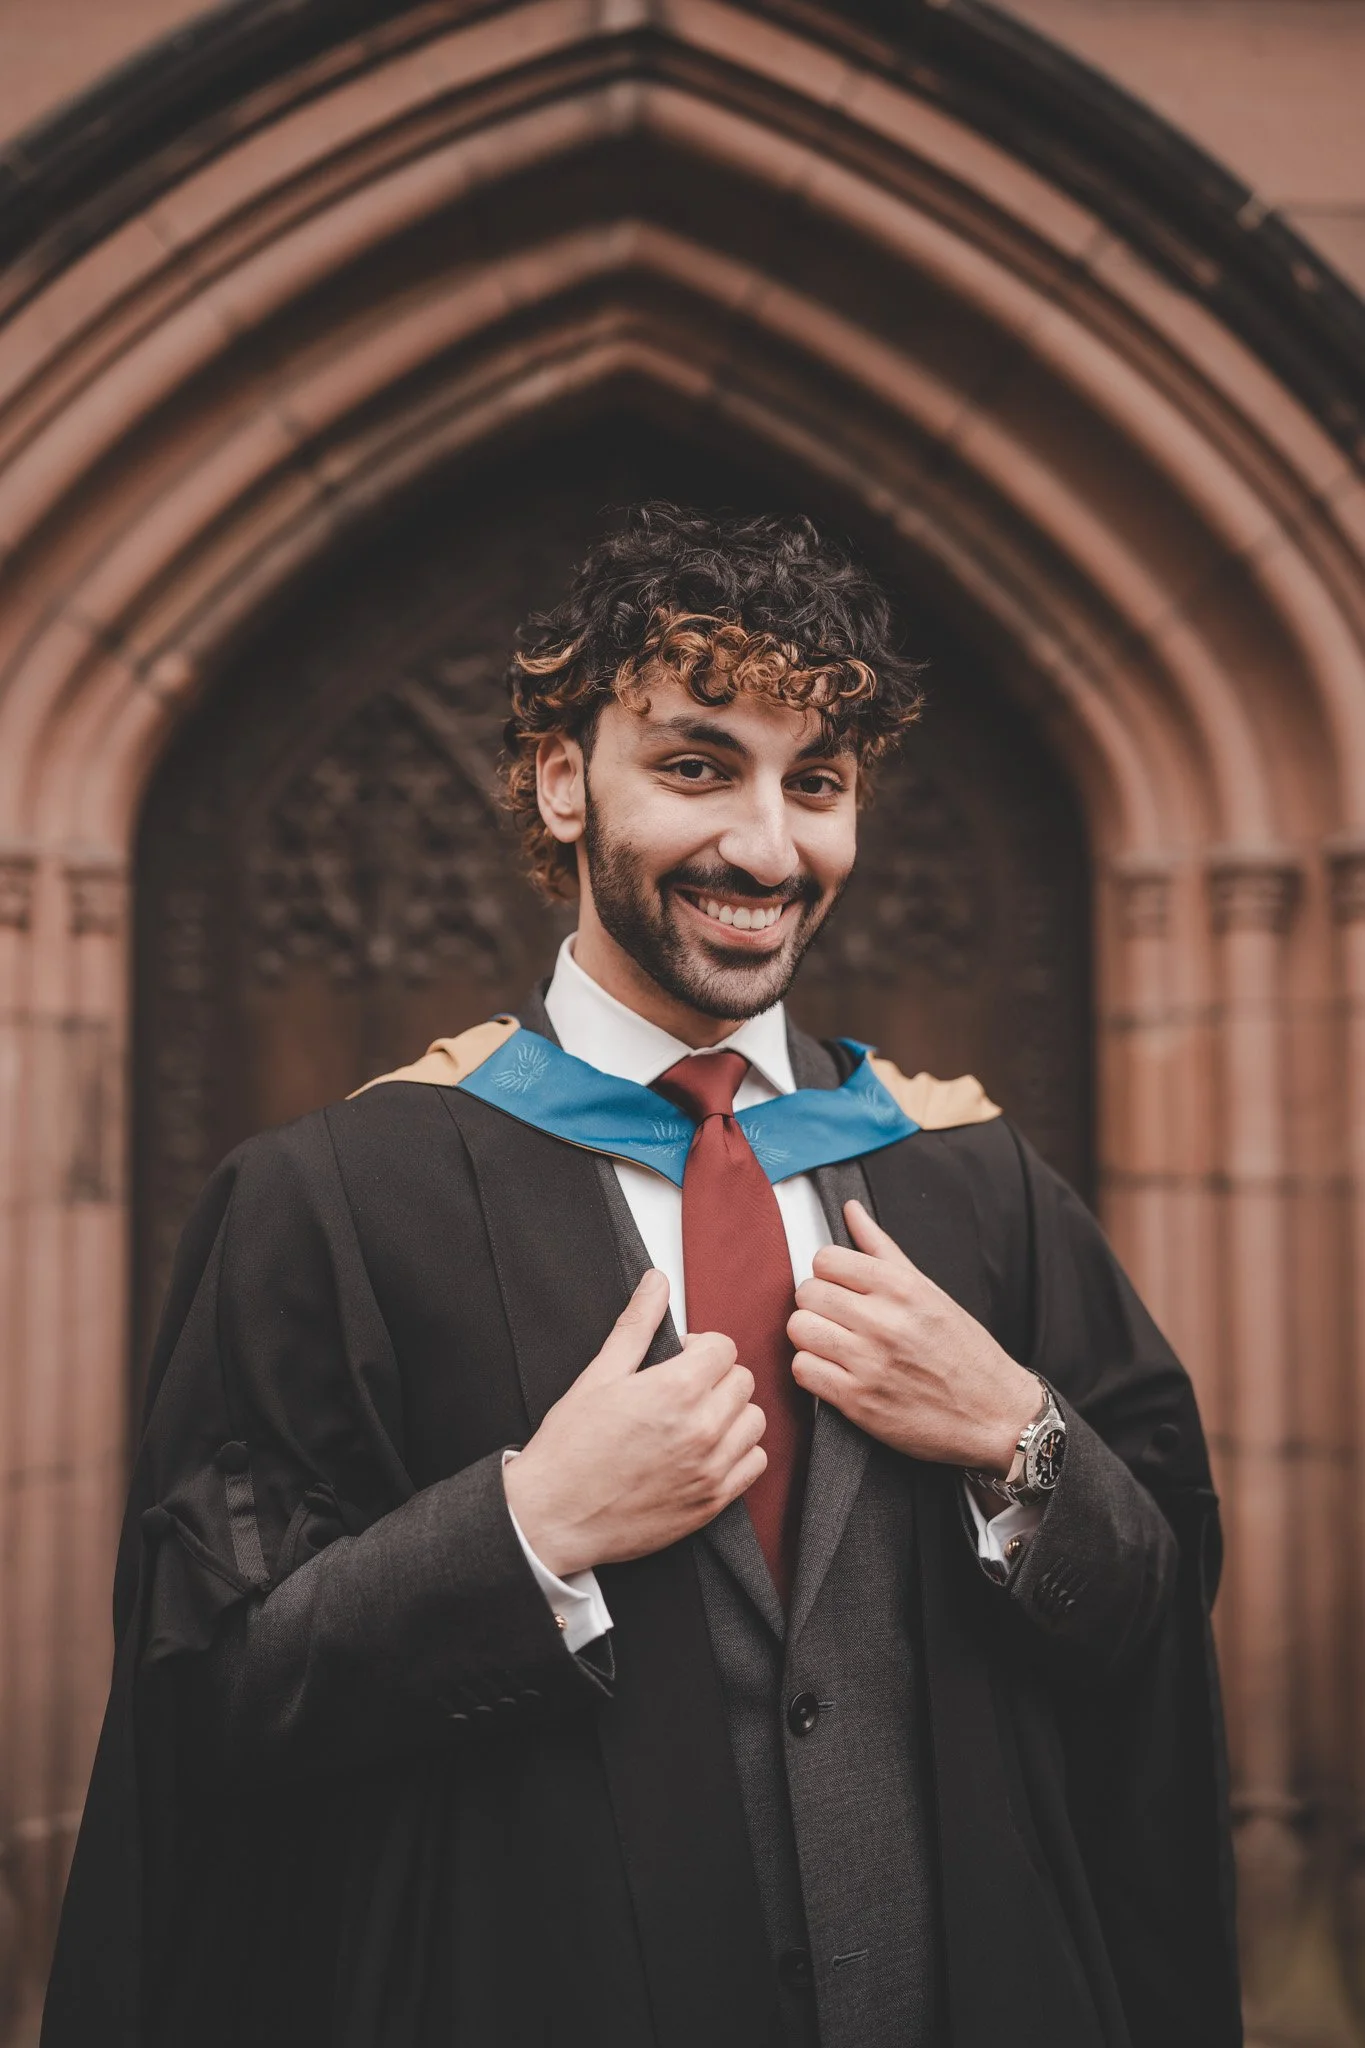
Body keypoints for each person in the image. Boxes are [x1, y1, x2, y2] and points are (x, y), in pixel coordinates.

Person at [43, 504, 1239, 2048]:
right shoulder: (329, 1203)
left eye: (816, 784)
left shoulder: (974, 1180)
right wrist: (523, 1534)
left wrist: (1024, 1439)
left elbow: (1156, 1602)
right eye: (695, 767)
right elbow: (210, 1704)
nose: (765, 845)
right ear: (560, 781)